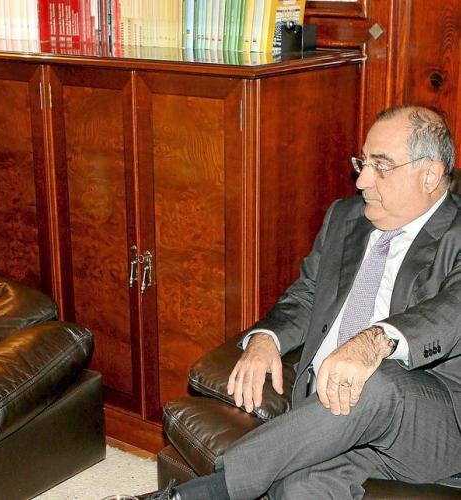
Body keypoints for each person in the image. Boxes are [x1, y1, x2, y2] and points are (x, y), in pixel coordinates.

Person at [140, 106, 461, 500]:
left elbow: (451, 312)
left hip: (429, 427)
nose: (362, 180)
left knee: (377, 381)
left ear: (429, 174)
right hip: (333, 415)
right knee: (298, 488)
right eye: (362, 163)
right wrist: (266, 338)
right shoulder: (345, 217)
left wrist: (373, 341)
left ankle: (197, 495)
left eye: (381, 166)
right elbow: (306, 294)